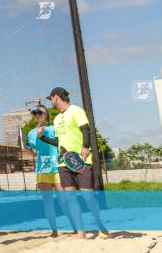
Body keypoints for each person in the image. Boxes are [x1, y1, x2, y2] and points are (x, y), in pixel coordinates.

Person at [41, 87, 110, 239]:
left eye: (51, 98)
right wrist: (42, 138)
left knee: (88, 197)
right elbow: (59, 141)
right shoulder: (57, 119)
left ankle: (99, 222)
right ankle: (81, 232)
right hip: (63, 163)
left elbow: (86, 129)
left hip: (80, 160)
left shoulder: (76, 111)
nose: (51, 101)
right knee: (70, 197)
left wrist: (85, 146)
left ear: (56, 97)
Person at [27, 104, 60, 237]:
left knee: (64, 199)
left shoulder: (54, 128)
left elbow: (60, 143)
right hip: (43, 167)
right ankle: (54, 231)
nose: (37, 116)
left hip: (57, 164)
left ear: (46, 115)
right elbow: (34, 152)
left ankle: (76, 229)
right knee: (48, 202)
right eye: (35, 114)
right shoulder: (31, 133)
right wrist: (29, 151)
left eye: (40, 113)